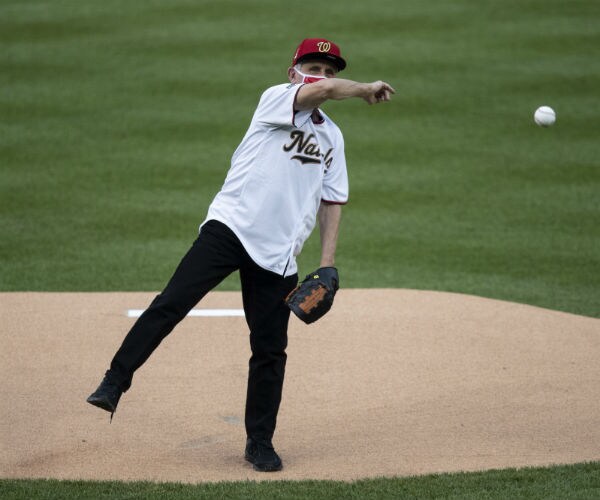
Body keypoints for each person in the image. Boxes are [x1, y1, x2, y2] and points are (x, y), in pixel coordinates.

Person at [86, 37, 395, 472]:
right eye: (314, 67)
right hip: (230, 228)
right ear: (294, 73)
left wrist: (327, 264)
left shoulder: (332, 138)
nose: (323, 76)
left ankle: (259, 443)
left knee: (270, 350)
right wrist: (362, 89)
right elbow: (321, 94)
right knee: (171, 303)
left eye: (330, 70)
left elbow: (332, 201)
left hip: (280, 255)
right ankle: (114, 382)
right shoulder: (277, 99)